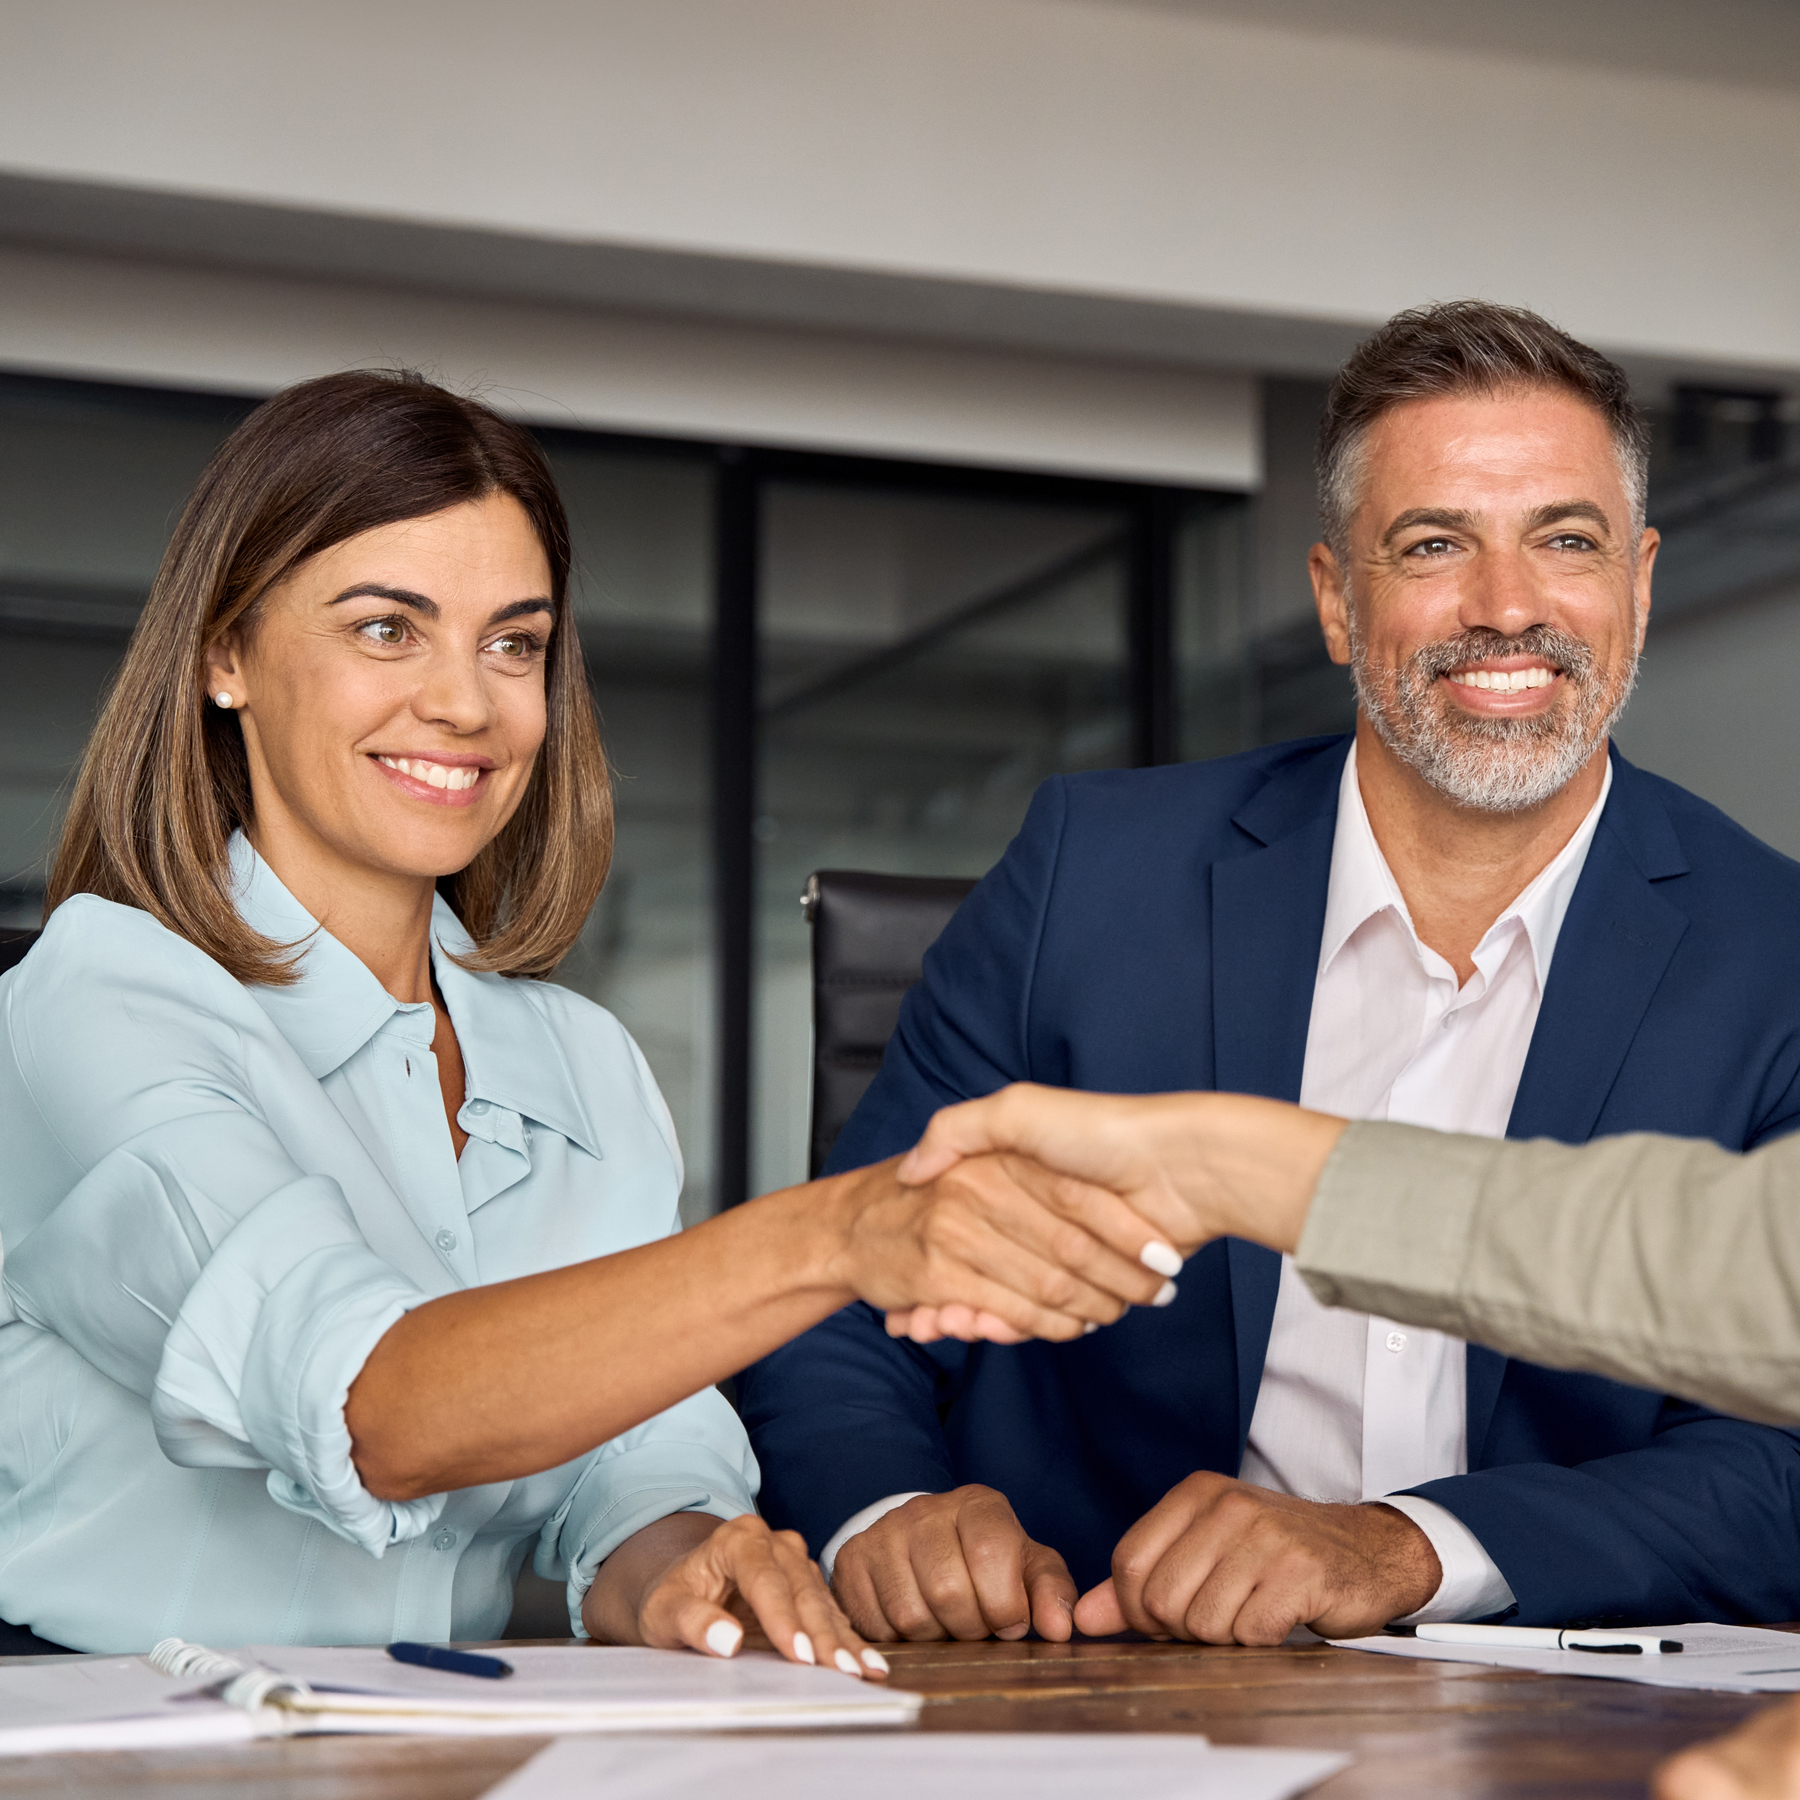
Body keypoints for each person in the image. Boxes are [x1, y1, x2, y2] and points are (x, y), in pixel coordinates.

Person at [0, 370, 1176, 1660]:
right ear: (226, 654)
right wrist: (834, 1237)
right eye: (387, 629)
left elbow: (641, 1460)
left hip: (439, 1737)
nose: (467, 701)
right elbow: (371, 1403)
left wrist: (677, 1564)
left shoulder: (581, 1060)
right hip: (120, 1741)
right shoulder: (96, 997)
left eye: (514, 642)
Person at [739, 300, 1800, 1652]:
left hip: (1559, 1710)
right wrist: (890, 1507)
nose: (1508, 608)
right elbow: (840, 1280)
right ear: (1335, 600)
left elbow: (1783, 1457)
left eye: (1567, 542)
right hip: (1093, 1688)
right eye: (1433, 546)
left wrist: (1413, 1547)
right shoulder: (1092, 872)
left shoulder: (1778, 957)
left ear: (1639, 583)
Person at [890, 1087, 1800, 1800]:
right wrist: (1216, 1165)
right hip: (1073, 1697)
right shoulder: (1082, 877)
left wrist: (1410, 1543)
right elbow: (1740, 1251)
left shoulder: (1764, 940)